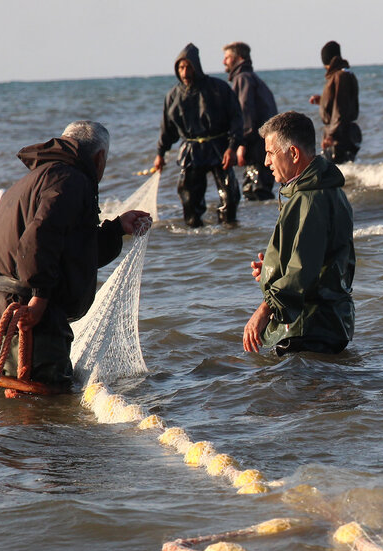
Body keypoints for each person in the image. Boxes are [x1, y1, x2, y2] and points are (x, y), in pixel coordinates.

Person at [0, 121, 151, 389]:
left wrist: (117, 228)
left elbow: (72, 253)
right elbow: (39, 238)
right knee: (45, 403)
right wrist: (40, 298)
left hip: (3, 306)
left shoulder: (33, 179)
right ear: (99, 158)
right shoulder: (72, 180)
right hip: (31, 313)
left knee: (15, 403)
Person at [243, 111, 355, 356]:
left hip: (308, 328)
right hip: (327, 324)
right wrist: (271, 270)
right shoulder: (328, 191)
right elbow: (318, 260)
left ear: (293, 153)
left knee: (295, 392)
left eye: (271, 153)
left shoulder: (310, 198)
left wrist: (264, 310)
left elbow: (302, 270)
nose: (266, 162)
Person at [152, 44, 243, 228]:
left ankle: (228, 231)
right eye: (181, 68)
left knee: (229, 196)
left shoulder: (219, 88)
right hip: (191, 152)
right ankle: (196, 238)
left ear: (196, 67)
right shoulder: (173, 96)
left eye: (188, 67)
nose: (185, 72)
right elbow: (167, 128)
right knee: (189, 200)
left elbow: (236, 119)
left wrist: (232, 147)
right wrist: (160, 153)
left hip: (219, 148)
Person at [223, 41, 278, 201]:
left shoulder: (243, 79)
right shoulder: (253, 79)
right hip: (264, 147)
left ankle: (262, 225)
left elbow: (246, 114)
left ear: (239, 58)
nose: (224, 61)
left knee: (255, 193)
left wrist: (241, 144)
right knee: (261, 193)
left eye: (227, 57)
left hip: (256, 149)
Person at [307, 41, 360, 164]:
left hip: (339, 137)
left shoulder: (339, 76)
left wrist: (331, 135)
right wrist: (322, 101)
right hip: (345, 134)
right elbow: (341, 103)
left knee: (333, 176)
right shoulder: (346, 74)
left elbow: (340, 109)